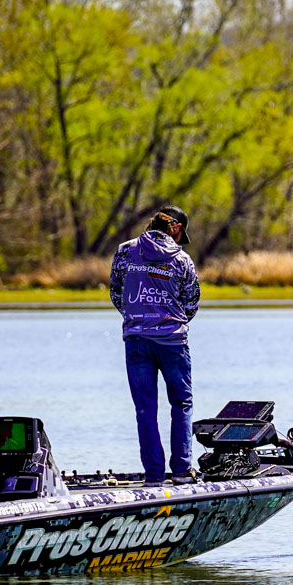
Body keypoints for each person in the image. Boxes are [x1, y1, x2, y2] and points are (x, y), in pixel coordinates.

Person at [109, 205, 200, 484]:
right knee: (181, 403)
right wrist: (169, 320)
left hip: (136, 339)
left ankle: (154, 475)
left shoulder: (125, 251)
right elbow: (191, 302)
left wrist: (137, 318)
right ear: (176, 228)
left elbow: (116, 292)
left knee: (145, 409)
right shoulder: (182, 259)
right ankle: (182, 471)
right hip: (172, 341)